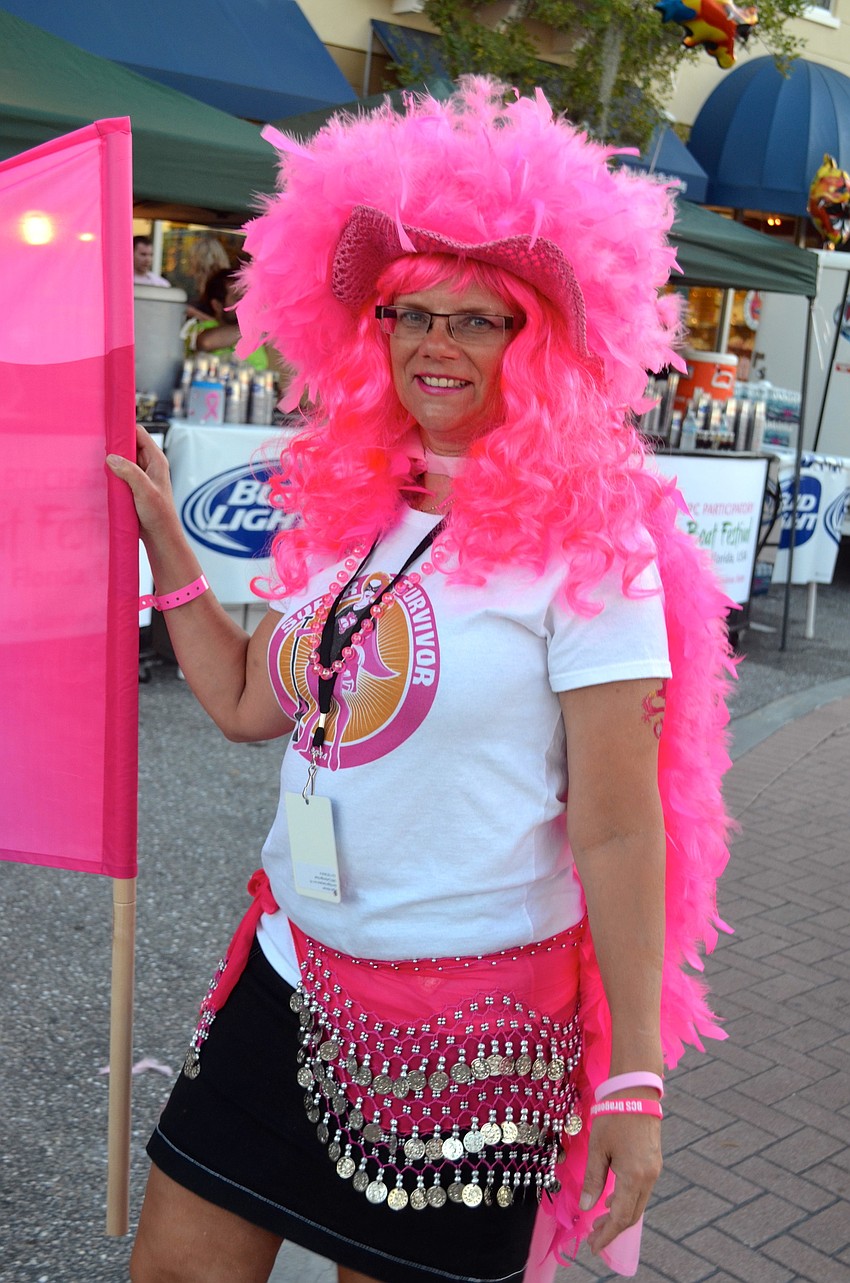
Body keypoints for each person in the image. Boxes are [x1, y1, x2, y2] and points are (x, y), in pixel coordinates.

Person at [108, 80, 733, 1283]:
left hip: (471, 1035)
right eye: (408, 314)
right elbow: (249, 703)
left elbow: (616, 824)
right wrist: (164, 546)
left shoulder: (591, 550)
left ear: (536, 342)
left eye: (476, 319)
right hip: (287, 976)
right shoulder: (357, 508)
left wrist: (636, 1074)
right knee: (175, 1267)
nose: (434, 344)